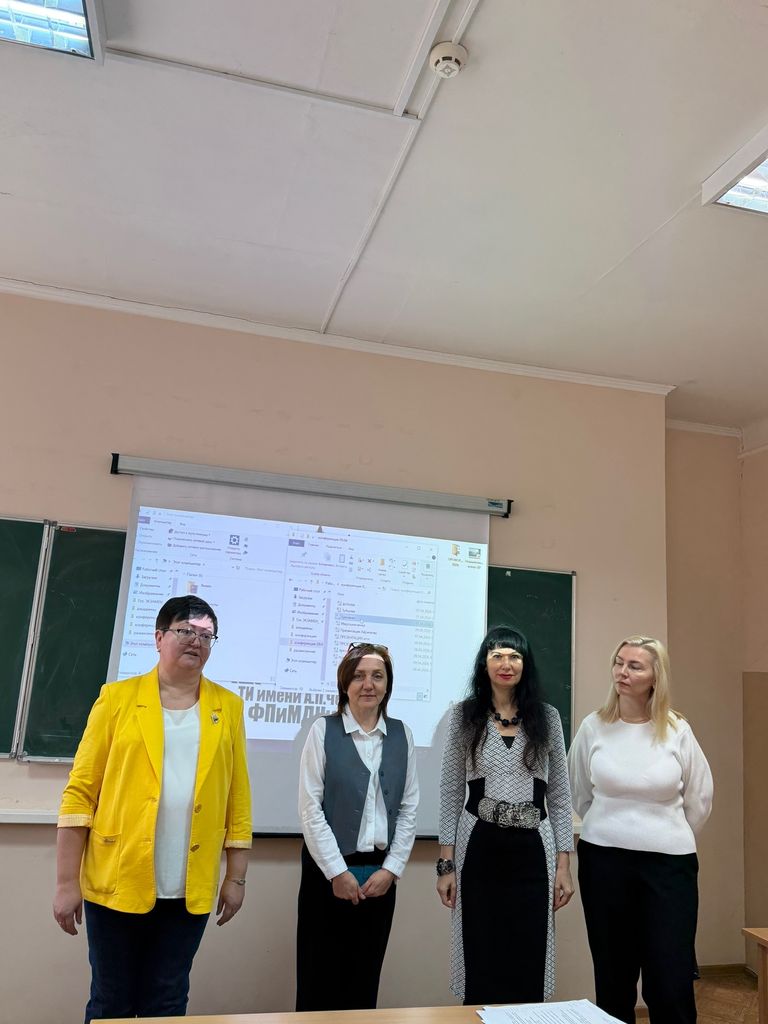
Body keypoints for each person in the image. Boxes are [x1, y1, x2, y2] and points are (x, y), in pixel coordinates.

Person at [53, 595, 252, 1023]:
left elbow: (238, 800)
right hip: (117, 879)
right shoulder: (117, 699)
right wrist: (66, 882)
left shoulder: (228, 708)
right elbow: (80, 793)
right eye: (185, 631)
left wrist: (236, 878)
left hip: (188, 888)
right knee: (111, 1002)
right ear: (159, 637)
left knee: (167, 1002)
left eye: (206, 635)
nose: (196, 640)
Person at [568, 635, 713, 1024]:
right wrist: (615, 827)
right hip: (604, 863)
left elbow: (699, 798)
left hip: (669, 868)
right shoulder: (594, 727)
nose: (622, 672)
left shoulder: (677, 729)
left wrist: (662, 832)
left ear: (655, 676)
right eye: (619, 663)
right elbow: (579, 793)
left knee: (670, 977)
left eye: (634, 666)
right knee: (613, 977)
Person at [437, 625, 575, 1005]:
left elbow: (560, 797)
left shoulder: (547, 717)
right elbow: (450, 792)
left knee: (528, 952)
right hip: (478, 849)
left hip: (534, 852)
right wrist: (446, 866)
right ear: (484, 664)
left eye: (514, 656)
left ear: (525, 665)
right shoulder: (464, 716)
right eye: (497, 655)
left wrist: (564, 866)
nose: (506, 663)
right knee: (480, 950)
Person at [296, 642, 419, 1011]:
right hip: (326, 875)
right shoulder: (323, 730)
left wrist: (392, 869)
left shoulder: (402, 734)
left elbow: (409, 808)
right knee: (318, 983)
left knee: (364, 985)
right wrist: (337, 872)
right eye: (359, 676)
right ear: (345, 684)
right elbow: (310, 809)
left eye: (377, 676)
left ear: (387, 684)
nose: (368, 684)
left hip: (380, 875)